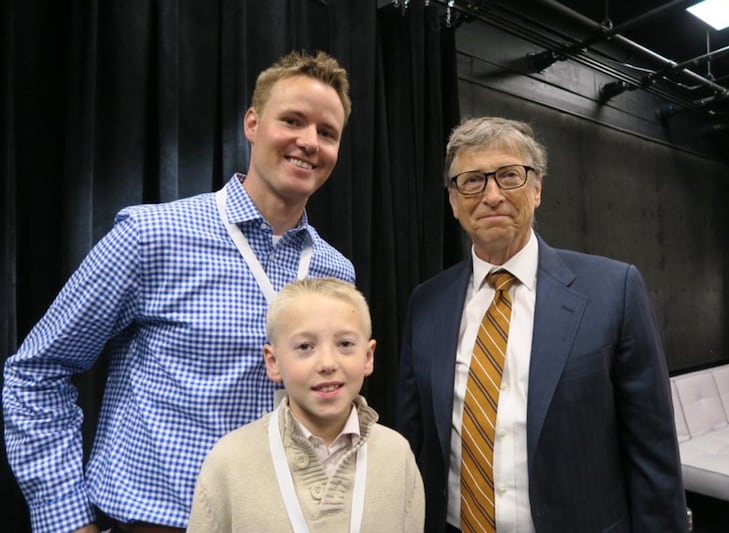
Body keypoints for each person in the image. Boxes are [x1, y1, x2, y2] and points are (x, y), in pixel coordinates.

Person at [3, 50, 355, 533]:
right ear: (253, 124)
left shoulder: (336, 273)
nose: (309, 142)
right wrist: (65, 521)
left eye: (327, 132)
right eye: (292, 120)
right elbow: (36, 374)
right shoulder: (152, 237)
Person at [395, 116, 687, 532]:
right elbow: (412, 440)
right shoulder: (427, 303)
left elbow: (652, 448)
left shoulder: (614, 291)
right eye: (472, 181)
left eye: (509, 175)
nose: (491, 195)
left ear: (537, 189)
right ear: (454, 202)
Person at [186, 277, 425, 532]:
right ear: (273, 362)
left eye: (345, 344)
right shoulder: (228, 462)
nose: (327, 363)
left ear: (368, 356)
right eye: (305, 346)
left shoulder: (397, 455)